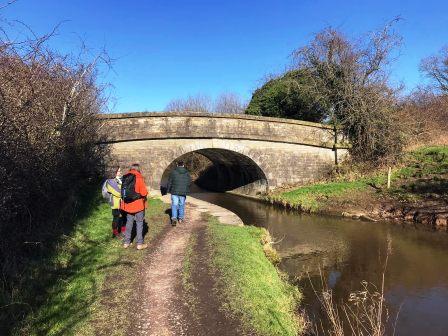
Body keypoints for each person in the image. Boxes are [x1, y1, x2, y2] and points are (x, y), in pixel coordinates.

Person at [120, 163, 148, 250]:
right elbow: (143, 192)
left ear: (131, 169)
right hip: (138, 204)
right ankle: (139, 243)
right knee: (139, 223)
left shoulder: (125, 177)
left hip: (128, 204)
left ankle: (126, 242)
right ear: (138, 169)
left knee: (129, 223)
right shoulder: (139, 177)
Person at [166, 160, 191, 226]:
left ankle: (174, 218)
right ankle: (180, 218)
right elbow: (189, 183)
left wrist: (167, 190)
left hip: (174, 191)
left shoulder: (173, 172)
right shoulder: (187, 173)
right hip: (183, 192)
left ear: (177, 165)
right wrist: (186, 189)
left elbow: (169, 182)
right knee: (181, 205)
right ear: (183, 165)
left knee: (174, 205)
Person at [105, 167, 125, 238]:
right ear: (114, 172)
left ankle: (122, 232)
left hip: (122, 202)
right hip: (116, 204)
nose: (120, 172)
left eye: (120, 171)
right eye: (118, 171)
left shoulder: (120, 180)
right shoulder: (110, 182)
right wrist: (124, 192)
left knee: (123, 217)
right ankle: (115, 233)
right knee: (116, 218)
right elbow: (117, 193)